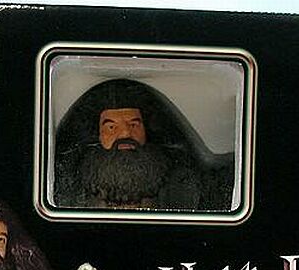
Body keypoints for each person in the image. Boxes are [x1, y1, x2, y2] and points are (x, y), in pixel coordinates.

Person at [53, 79, 235, 210]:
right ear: (98, 136)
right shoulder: (71, 188)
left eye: (134, 125)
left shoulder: (184, 184)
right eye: (111, 127)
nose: (125, 134)